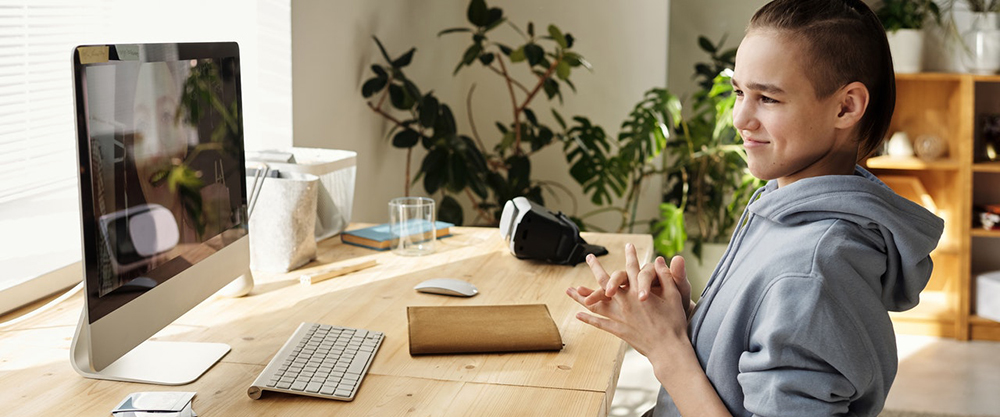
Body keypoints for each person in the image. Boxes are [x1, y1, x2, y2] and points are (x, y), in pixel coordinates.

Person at [566, 1, 945, 416]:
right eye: (739, 92)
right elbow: (753, 357)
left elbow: (798, 306)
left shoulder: (814, 270)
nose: (740, 118)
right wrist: (684, 318)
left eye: (767, 98)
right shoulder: (786, 210)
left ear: (846, 107)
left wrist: (666, 350)